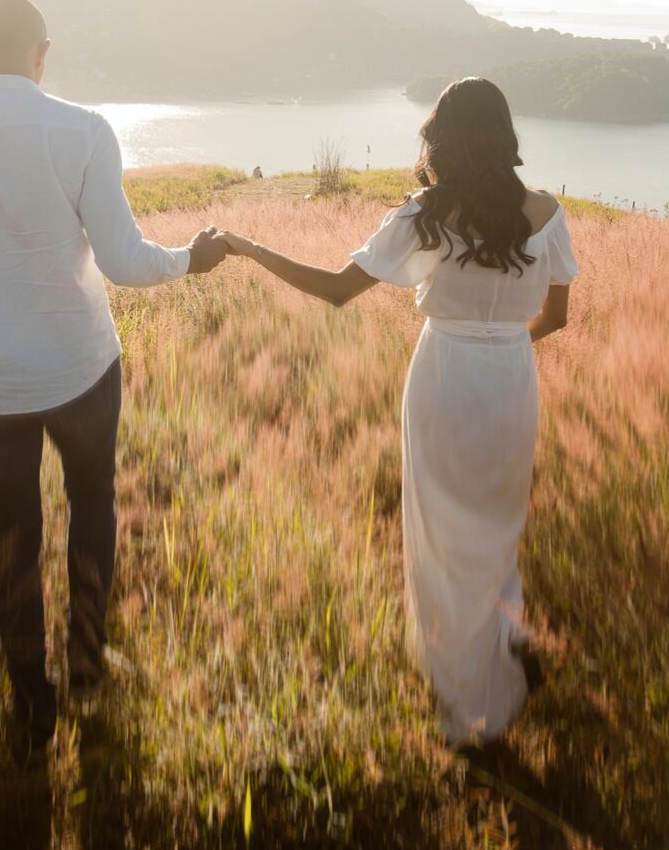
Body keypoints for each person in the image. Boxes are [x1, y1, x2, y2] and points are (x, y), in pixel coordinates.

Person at [0, 0, 229, 766]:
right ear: (43, 53)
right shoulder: (83, 132)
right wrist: (191, 261)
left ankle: (30, 701)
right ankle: (87, 663)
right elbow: (123, 261)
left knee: (13, 532)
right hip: (81, 372)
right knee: (93, 503)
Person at [213, 77, 576, 744]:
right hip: (512, 380)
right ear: (504, 133)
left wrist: (247, 246)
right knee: (498, 520)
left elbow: (334, 290)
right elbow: (555, 316)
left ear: (441, 137)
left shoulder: (424, 214)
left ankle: (471, 707)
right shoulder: (548, 212)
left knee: (439, 536)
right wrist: (499, 346)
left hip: (443, 376)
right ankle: (504, 640)